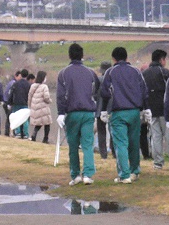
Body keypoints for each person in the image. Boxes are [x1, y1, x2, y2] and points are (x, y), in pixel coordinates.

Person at [101, 46, 148, 184]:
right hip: (134, 112)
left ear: (113, 59)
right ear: (127, 57)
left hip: (118, 112)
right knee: (134, 142)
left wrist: (104, 110)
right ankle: (135, 171)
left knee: (121, 143)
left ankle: (124, 175)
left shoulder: (110, 72)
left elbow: (104, 92)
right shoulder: (136, 71)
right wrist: (146, 109)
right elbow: (144, 91)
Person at [57, 43, 101, 186]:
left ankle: (75, 175)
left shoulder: (63, 73)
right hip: (88, 112)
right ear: (82, 55)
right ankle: (88, 174)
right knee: (87, 144)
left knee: (73, 145)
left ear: (69, 55)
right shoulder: (90, 72)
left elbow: (61, 95)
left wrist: (61, 113)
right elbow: (96, 91)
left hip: (72, 113)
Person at [142, 49, 169, 170]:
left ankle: (158, 162)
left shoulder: (144, 73)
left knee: (155, 136)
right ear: (161, 59)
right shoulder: (165, 72)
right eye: (164, 59)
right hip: (164, 110)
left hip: (150, 110)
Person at [28, 70, 52, 143]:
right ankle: (45, 138)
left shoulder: (33, 86)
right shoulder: (44, 87)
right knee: (47, 123)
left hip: (35, 107)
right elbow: (46, 97)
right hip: (43, 107)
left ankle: (33, 136)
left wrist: (30, 106)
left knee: (38, 123)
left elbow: (29, 97)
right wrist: (50, 101)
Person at [95, 61, 112, 160]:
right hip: (111, 109)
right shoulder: (114, 79)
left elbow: (93, 94)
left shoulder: (98, 79)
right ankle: (114, 151)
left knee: (101, 132)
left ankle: (103, 154)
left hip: (99, 109)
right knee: (113, 131)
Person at [10, 68, 31, 139]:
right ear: (27, 75)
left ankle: (18, 132)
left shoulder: (15, 83)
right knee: (25, 118)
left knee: (17, 118)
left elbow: (11, 94)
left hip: (16, 103)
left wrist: (9, 102)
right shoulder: (28, 85)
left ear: (21, 75)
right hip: (25, 103)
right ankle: (25, 133)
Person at [3, 71, 20, 137]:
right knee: (10, 118)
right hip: (8, 103)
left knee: (9, 118)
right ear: (16, 76)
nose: (20, 78)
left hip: (6, 102)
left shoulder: (11, 82)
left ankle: (8, 132)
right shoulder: (14, 83)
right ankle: (10, 133)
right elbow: (10, 94)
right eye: (19, 77)